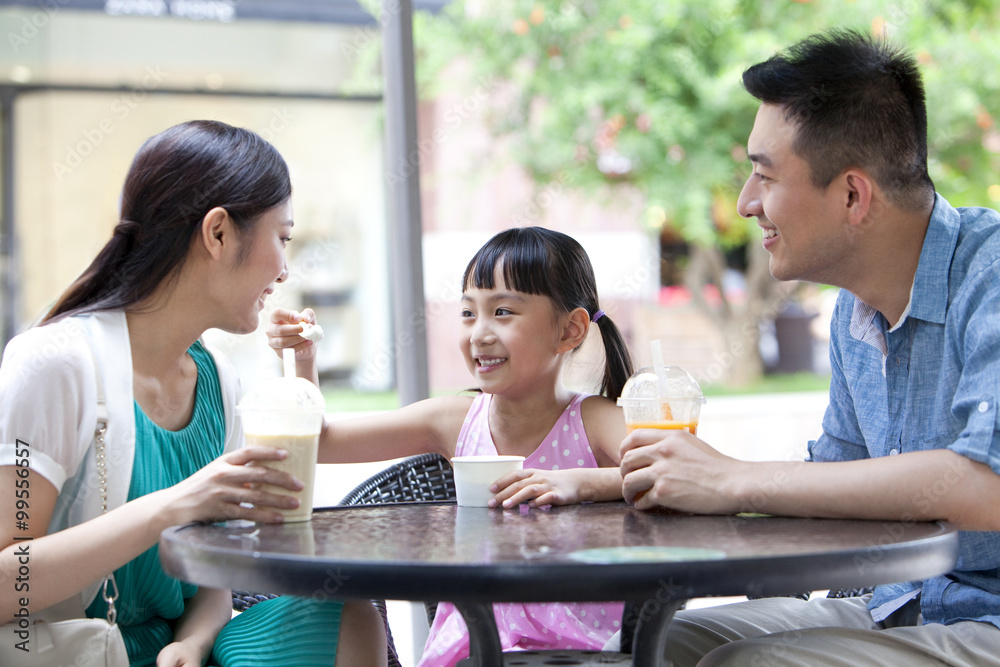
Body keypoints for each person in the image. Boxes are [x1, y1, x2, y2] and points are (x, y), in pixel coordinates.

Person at [618, 29, 1000, 666]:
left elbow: (986, 484)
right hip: (897, 603)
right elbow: (831, 486)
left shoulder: (989, 275)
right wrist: (646, 479)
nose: (745, 204)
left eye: (763, 176)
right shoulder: (859, 304)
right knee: (657, 643)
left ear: (853, 195)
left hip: (987, 616)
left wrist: (733, 480)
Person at [0, 120, 386, 667]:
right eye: (283, 238)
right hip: (68, 652)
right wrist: (170, 508)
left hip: (177, 656)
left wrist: (194, 643)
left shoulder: (218, 383)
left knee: (349, 617)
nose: (283, 268)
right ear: (218, 233)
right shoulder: (54, 364)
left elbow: (214, 581)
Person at [269, 226, 634, 666]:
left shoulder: (593, 421)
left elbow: (670, 468)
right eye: (468, 313)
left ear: (569, 329)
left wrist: (579, 482)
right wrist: (304, 362)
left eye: (502, 312)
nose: (478, 334)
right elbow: (321, 442)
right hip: (470, 648)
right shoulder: (453, 419)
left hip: (579, 651)